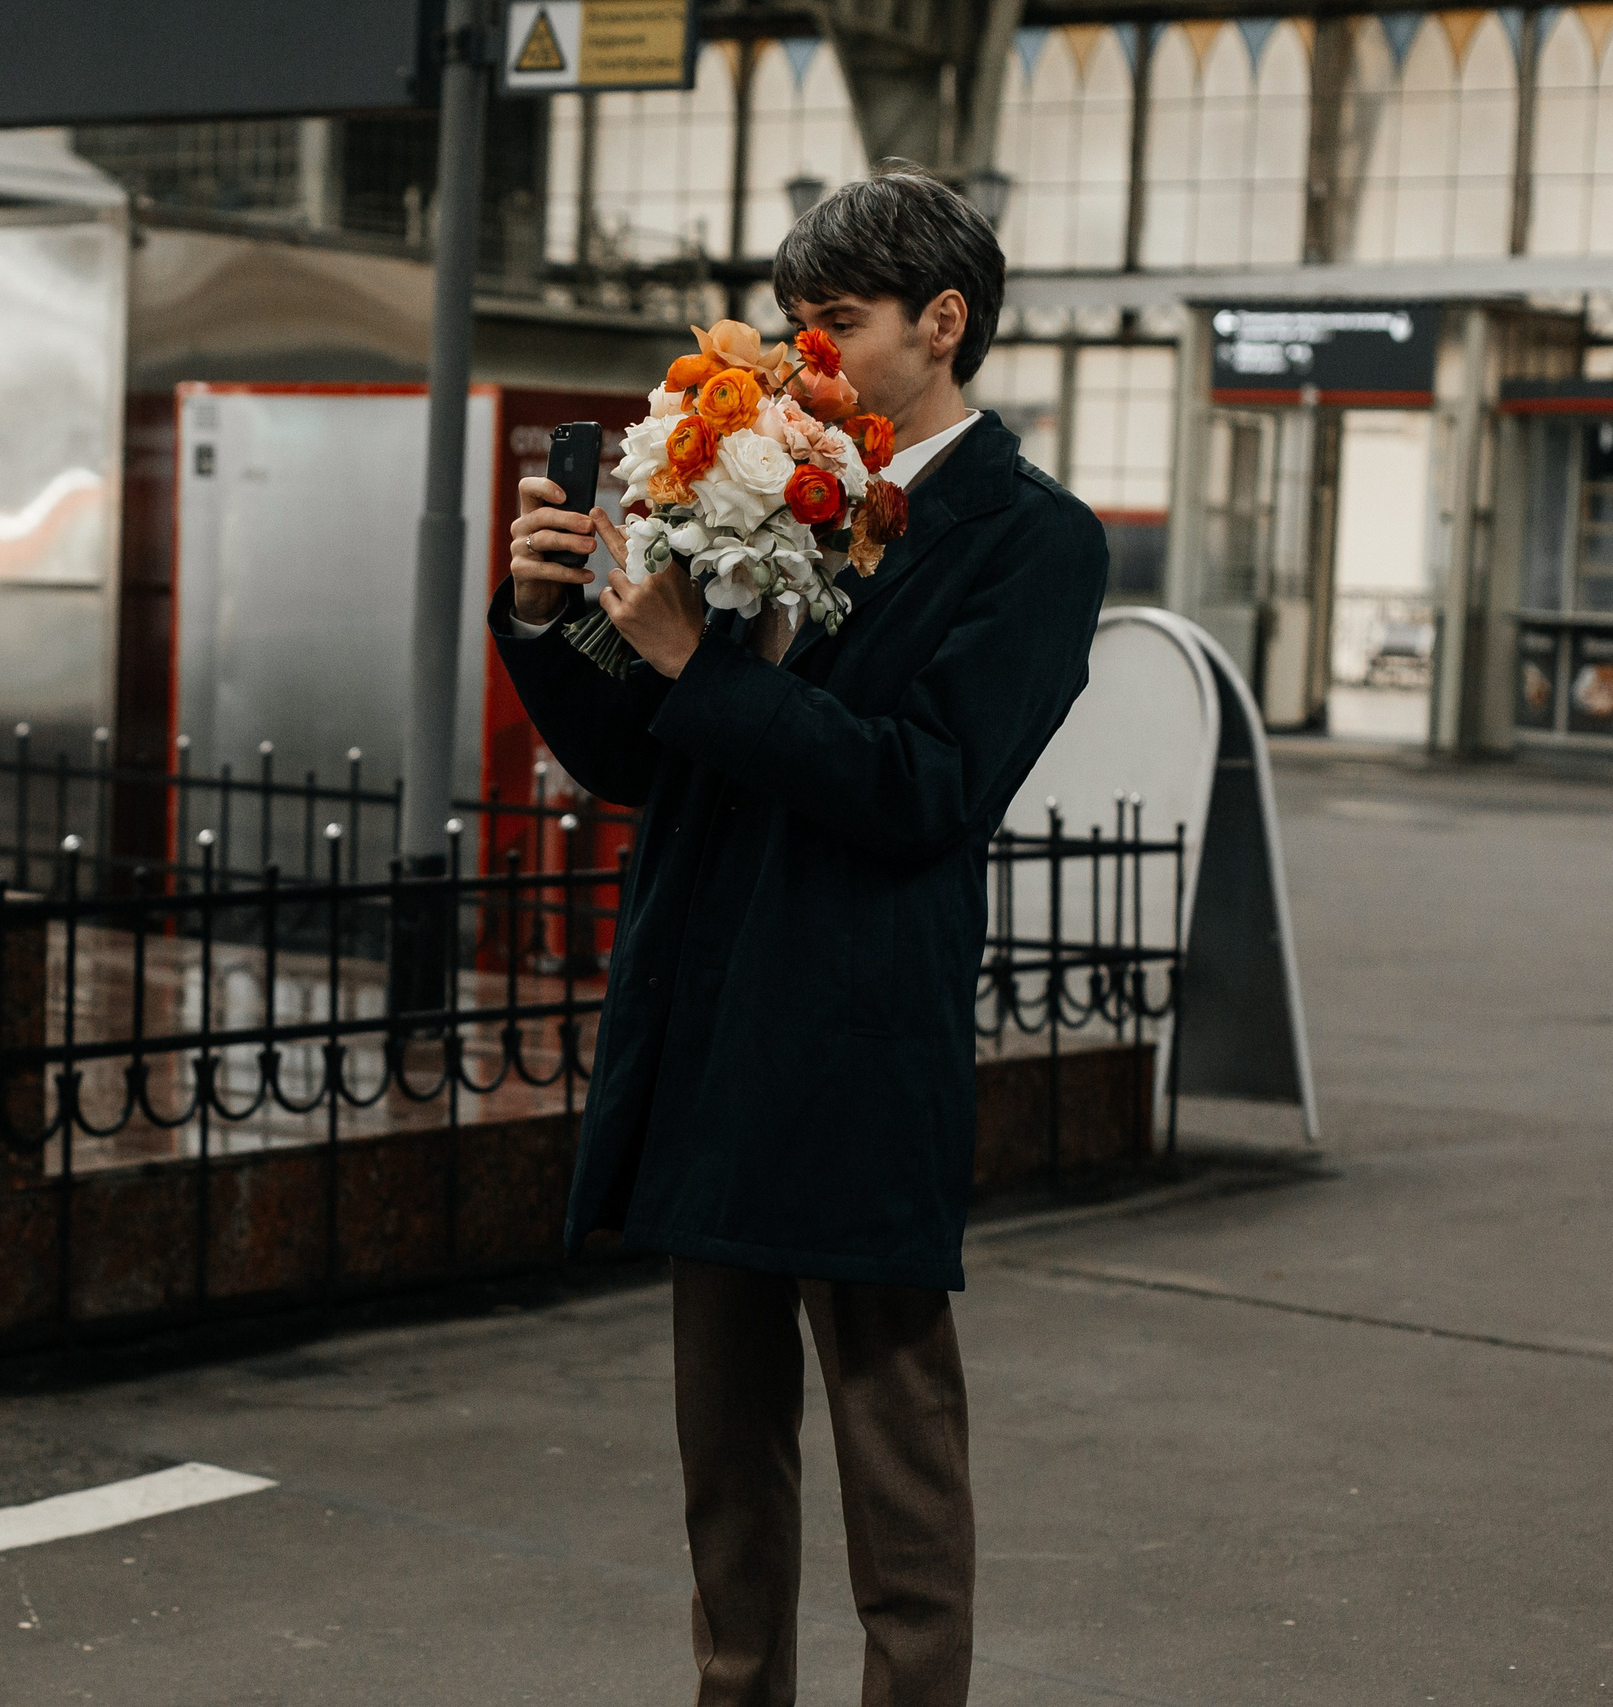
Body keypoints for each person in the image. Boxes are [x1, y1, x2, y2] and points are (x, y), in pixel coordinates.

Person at [492, 170, 1108, 1707]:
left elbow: (928, 788)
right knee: (724, 1457)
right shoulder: (761, 480)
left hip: (853, 1032)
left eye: (837, 322)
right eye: (793, 324)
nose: (803, 355)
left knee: (897, 1457)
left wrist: (703, 670)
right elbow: (640, 755)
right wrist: (548, 618)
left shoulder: (1033, 541)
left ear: (943, 322)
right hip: (712, 1018)